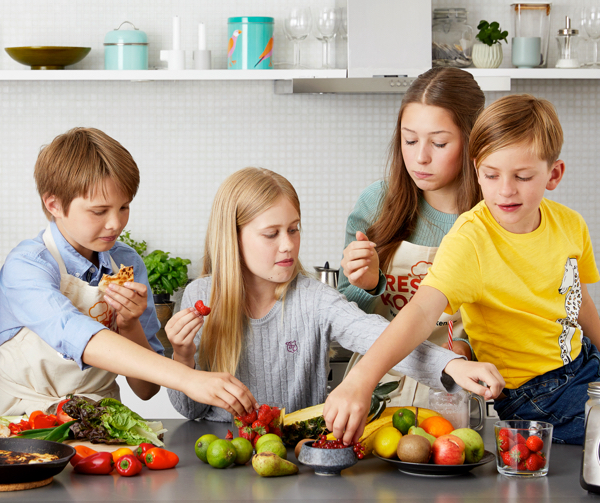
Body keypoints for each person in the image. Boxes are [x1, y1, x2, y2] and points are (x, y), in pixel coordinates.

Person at [325, 94, 599, 445]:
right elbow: (420, 312)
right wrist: (359, 382)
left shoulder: (570, 225)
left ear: (553, 174)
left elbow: (581, 304)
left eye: (523, 176)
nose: (505, 190)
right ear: (476, 171)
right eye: (491, 174)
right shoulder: (471, 238)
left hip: (584, 364)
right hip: (535, 394)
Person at [166, 167, 503, 423]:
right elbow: (189, 411)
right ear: (233, 237)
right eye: (271, 234)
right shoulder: (200, 296)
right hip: (221, 455)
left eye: (294, 229)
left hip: (297, 456)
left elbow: (380, 337)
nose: (288, 245)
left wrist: (451, 365)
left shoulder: (313, 298)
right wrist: (181, 356)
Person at [0, 127, 256, 417]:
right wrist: (189, 378)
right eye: (99, 211)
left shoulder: (126, 262)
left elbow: (146, 390)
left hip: (103, 422)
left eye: (124, 207)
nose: (115, 224)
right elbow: (73, 332)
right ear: (54, 204)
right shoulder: (27, 266)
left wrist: (130, 323)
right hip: (20, 423)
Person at [338, 67, 485, 406]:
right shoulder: (377, 204)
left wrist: (468, 348)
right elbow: (345, 321)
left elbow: (516, 314)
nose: (420, 157)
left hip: (461, 389)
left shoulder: (493, 215)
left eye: (439, 142)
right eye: (410, 139)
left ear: (472, 139)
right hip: (378, 387)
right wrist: (368, 284)